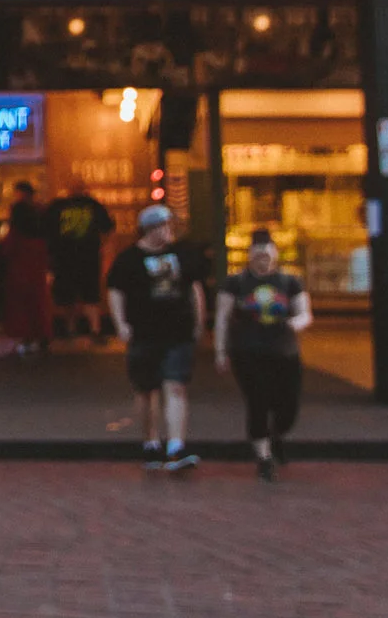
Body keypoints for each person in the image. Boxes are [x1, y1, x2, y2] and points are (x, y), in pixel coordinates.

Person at [106, 203, 204, 472]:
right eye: (164, 226)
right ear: (150, 230)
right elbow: (115, 290)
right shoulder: (129, 259)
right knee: (147, 390)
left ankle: (175, 445)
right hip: (144, 332)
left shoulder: (182, 255)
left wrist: (198, 320)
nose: (169, 231)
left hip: (178, 330)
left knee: (176, 385)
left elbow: (194, 287)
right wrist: (121, 323)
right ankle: (151, 442)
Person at [216, 227, 311, 480]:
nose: (263, 260)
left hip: (284, 352)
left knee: (287, 406)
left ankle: (276, 434)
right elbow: (222, 318)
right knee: (258, 402)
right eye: (258, 255)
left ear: (275, 255)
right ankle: (264, 457)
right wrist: (220, 351)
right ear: (250, 256)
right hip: (248, 351)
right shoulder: (235, 283)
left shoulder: (290, 281)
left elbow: (304, 313)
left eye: (267, 255)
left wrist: (295, 323)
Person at [44, 187, 116, 342]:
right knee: (90, 295)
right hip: (88, 257)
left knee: (67, 296)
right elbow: (108, 227)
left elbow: (44, 229)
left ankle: (70, 329)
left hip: (63, 257)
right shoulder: (93, 205)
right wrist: (105, 248)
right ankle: (95, 330)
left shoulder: (57, 206)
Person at [0, 180, 54, 354]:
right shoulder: (41, 211)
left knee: (21, 301)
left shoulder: (18, 211)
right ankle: (42, 333)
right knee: (38, 299)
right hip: (38, 259)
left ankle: (26, 335)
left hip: (20, 261)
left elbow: (11, 240)